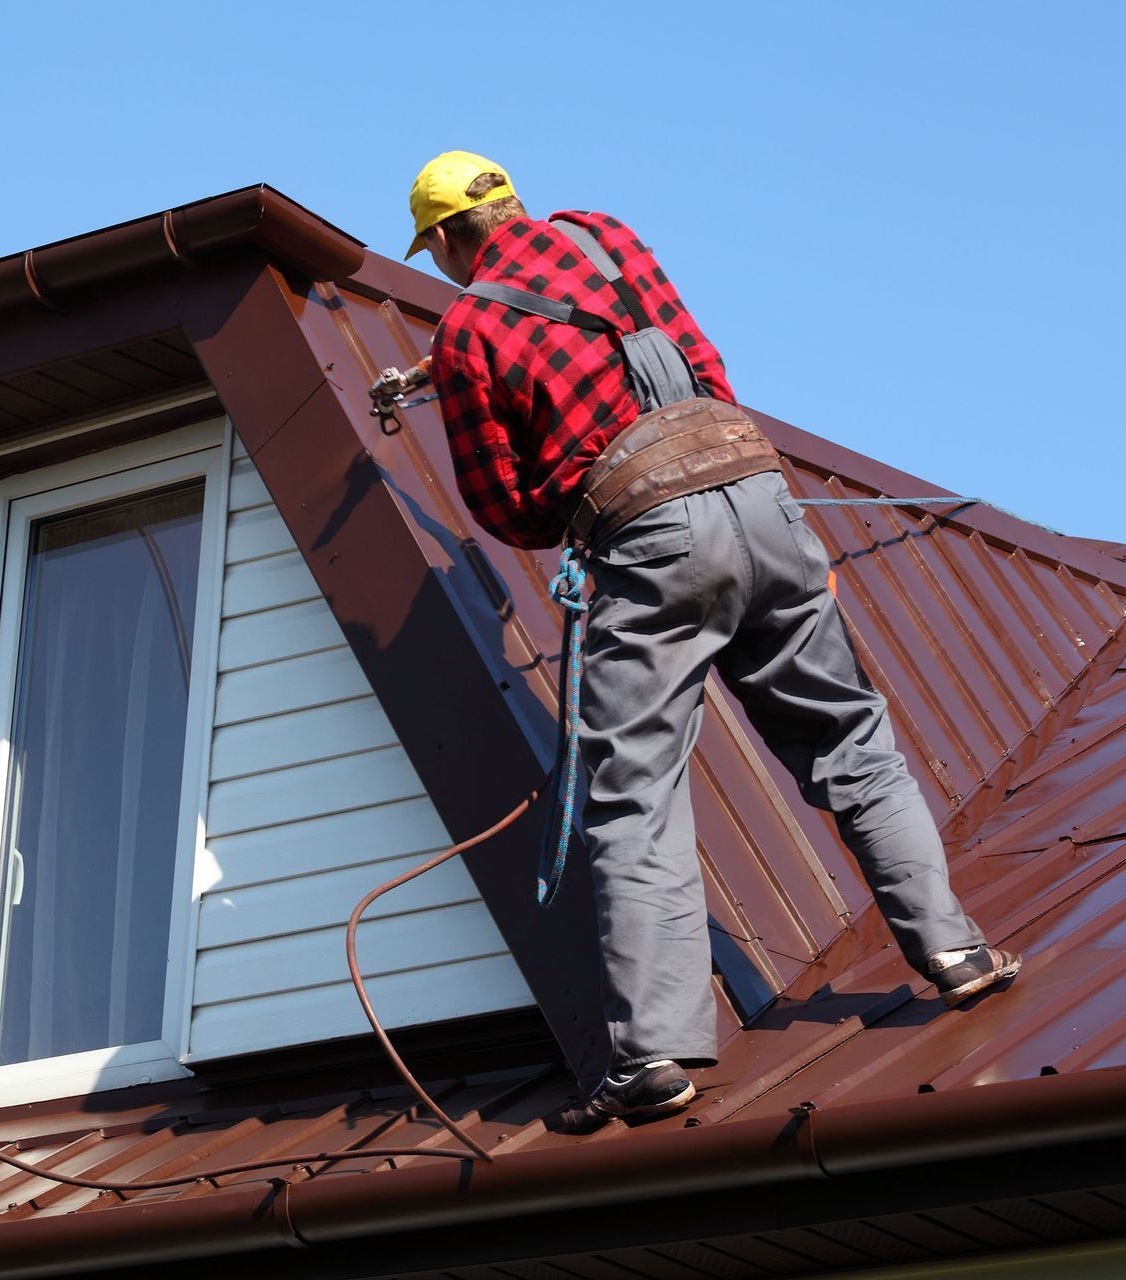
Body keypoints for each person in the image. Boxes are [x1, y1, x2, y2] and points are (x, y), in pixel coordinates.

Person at [406, 151, 1021, 1130]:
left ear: (443, 239)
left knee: (634, 795)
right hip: (760, 494)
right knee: (849, 740)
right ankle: (957, 950)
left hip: (649, 538)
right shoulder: (604, 235)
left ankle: (653, 1053)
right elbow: (700, 365)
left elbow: (503, 504)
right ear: (513, 201)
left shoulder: (471, 326)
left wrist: (584, 499)